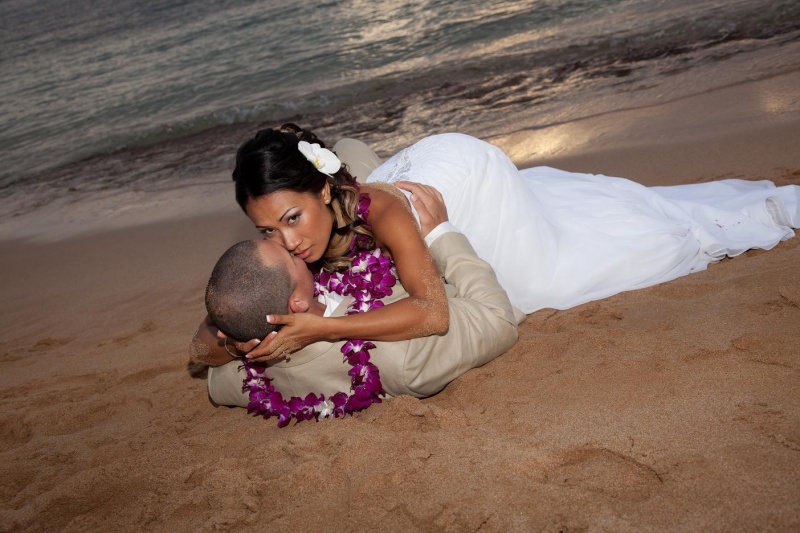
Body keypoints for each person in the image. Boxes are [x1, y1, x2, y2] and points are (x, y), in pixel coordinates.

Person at [192, 124, 800, 364]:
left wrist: (318, 329)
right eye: (269, 230)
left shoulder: (382, 211)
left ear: (326, 191)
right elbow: (207, 340)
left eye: (294, 218)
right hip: (420, 167)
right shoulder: (288, 243)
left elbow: (433, 313)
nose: (287, 241)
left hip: (462, 173)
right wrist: (226, 330)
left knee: (552, 280)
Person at [196, 212, 519, 409]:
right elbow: (499, 318)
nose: (292, 245)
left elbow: (203, 350)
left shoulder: (234, 382)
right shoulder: (405, 356)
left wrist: (232, 340)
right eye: (291, 259)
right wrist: (440, 232)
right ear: (296, 304)